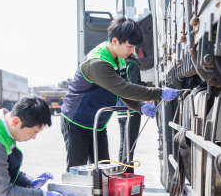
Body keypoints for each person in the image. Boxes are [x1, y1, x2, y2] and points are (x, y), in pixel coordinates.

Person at [60, 17, 179, 171]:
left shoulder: (119, 59)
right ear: (115, 41)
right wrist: (160, 93)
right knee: (77, 173)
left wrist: (139, 106)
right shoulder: (98, 63)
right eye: (130, 46)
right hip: (76, 122)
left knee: (102, 172)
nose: (133, 52)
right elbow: (124, 89)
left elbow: (122, 92)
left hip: (97, 124)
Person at [116, 47, 144, 164]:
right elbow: (134, 87)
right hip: (131, 110)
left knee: (123, 145)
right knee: (129, 147)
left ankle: (121, 174)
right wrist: (143, 85)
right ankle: (126, 175)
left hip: (120, 109)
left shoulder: (118, 64)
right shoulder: (132, 64)